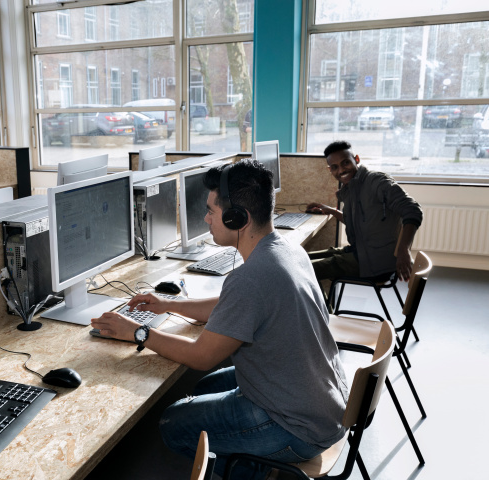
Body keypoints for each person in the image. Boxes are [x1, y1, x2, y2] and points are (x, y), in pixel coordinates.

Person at [92, 161, 349, 479]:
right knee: (205, 387)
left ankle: (247, 466)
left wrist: (138, 332)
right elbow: (233, 305)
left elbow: (201, 356)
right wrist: (168, 304)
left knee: (172, 423)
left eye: (212, 211)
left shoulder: (250, 278)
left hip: (297, 427)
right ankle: (247, 457)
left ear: (237, 217)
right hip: (322, 403)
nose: (206, 218)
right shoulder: (286, 249)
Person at [306, 141, 423, 295]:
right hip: (360, 252)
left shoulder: (377, 182)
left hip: (375, 263)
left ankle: (321, 317)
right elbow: (358, 223)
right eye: (334, 167)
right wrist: (331, 211)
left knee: (303, 271)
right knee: (302, 259)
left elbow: (412, 209)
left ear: (357, 159)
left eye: (345, 163)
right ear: (330, 170)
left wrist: (403, 250)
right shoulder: (352, 187)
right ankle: (324, 314)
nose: (341, 170)